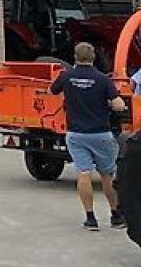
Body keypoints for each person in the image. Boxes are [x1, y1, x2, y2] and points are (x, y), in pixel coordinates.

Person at [49, 42, 128, 231]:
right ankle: (116, 216)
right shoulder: (102, 79)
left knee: (84, 173)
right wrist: (118, 105)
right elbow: (118, 105)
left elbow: (52, 91)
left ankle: (90, 218)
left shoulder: (66, 76)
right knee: (107, 175)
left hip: (76, 134)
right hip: (100, 133)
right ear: (93, 58)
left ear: (75, 57)